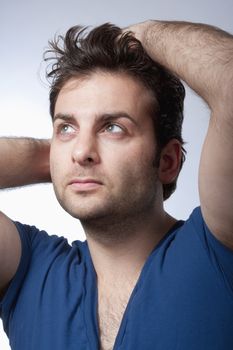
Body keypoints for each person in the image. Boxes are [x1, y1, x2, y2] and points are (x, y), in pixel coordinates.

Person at [0, 20, 232, 350]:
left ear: (167, 162)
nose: (81, 152)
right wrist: (56, 157)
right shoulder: (31, 270)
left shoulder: (218, 248)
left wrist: (144, 34)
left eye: (113, 128)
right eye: (66, 128)